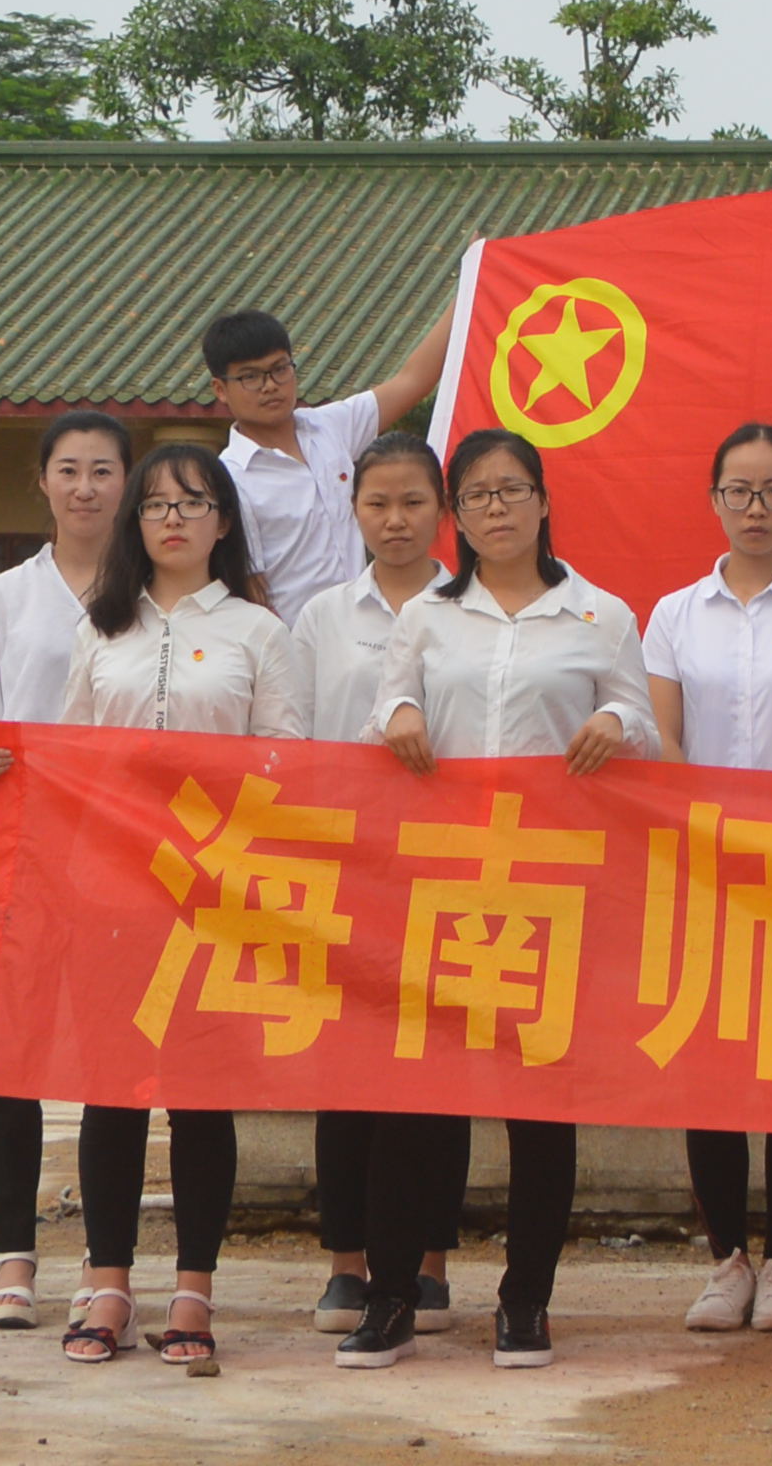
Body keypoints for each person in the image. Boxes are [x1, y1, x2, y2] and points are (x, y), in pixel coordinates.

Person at [341, 425, 645, 1372]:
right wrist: (399, 720)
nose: (497, 508)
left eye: (513, 491)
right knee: (417, 1099)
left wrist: (613, 719)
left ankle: (526, 1302)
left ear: (545, 501)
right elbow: (386, 707)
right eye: (477, 495)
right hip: (438, 888)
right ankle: (392, 1294)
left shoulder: (601, 615)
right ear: (457, 516)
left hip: (553, 889)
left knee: (538, 1104)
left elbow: (637, 715)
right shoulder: (428, 616)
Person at [57, 443, 304, 1371]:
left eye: (193, 503)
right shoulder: (100, 628)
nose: (172, 518)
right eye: (156, 504)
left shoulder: (256, 632)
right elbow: (71, 754)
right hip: (112, 893)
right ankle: (108, 1281)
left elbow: (286, 756)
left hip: (217, 893)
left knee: (202, 1098)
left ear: (223, 522)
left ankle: (195, 1292)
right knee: (111, 1093)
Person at [643, 420, 772, 1340]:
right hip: (707, 868)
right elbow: (662, 740)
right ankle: (728, 1258)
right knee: (714, 1067)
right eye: (738, 492)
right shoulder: (676, 614)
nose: (755, 509)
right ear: (714, 500)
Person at [0, 409, 132, 1335]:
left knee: (110, 1060)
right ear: (43, 482)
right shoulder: (3, 601)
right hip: (25, 845)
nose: (86, 487)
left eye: (103, 470)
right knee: (10, 1058)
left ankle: (105, 1266)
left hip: (124, 858)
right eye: (70, 470)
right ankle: (12, 1257)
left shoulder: (155, 594)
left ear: (127, 483)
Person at [286, 433, 453, 1343]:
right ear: (353, 509)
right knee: (347, 1069)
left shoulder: (471, 607)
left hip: (446, 864)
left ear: (442, 511)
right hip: (348, 864)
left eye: (414, 505)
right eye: (377, 505)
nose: (395, 521)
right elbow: (304, 739)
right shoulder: (321, 617)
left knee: (440, 1069)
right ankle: (347, 1264)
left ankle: (429, 1261)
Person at [193, 299, 449, 628]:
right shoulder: (228, 477)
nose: (270, 385)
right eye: (250, 377)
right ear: (220, 389)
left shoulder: (330, 427)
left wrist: (470, 275)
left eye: (279, 369)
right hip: (296, 647)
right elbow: (250, 590)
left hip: (372, 631)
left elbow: (413, 380)